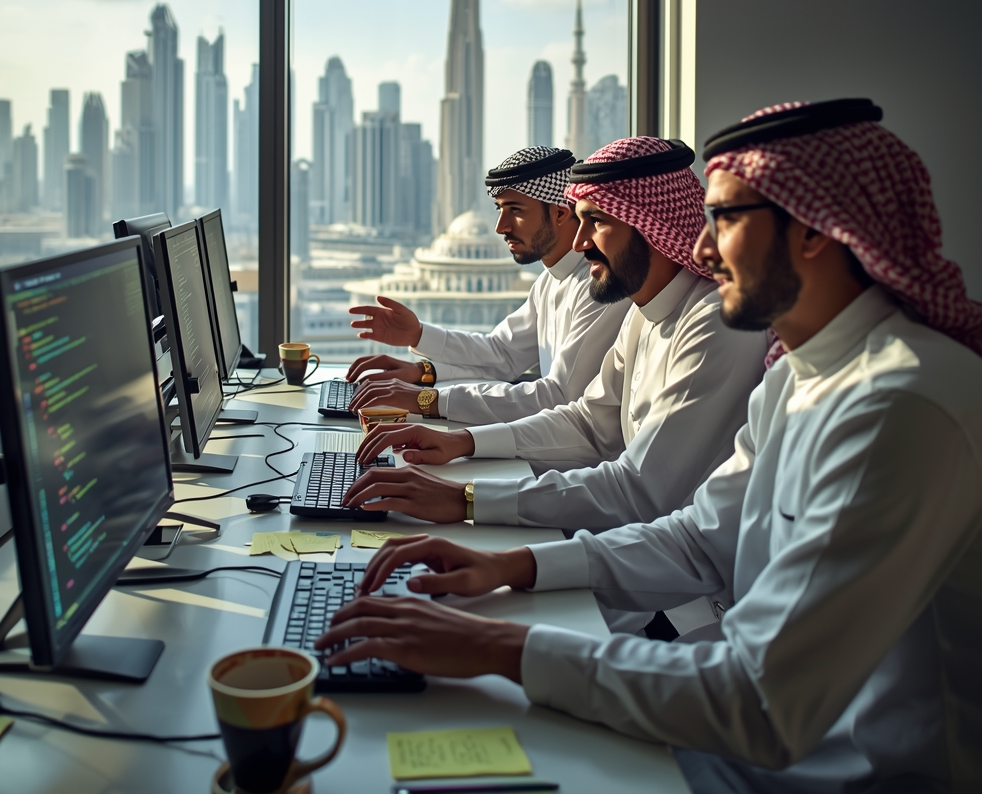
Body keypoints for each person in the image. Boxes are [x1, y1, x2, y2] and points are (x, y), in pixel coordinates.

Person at [318, 99, 982, 793]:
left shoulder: (900, 404)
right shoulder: (801, 374)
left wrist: (496, 643)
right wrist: (507, 563)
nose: (699, 248)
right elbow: (698, 538)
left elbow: (760, 704)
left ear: (814, 231)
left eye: (723, 220)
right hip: (743, 728)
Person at [347, 136, 768, 511]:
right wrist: (462, 440)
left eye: (597, 222)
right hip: (617, 530)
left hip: (674, 581)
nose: (582, 243)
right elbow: (586, 421)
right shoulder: (642, 310)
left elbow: (638, 488)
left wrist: (466, 495)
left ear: (651, 227)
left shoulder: (711, 323)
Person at [346, 146, 630, 424]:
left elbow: (557, 397)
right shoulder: (549, 281)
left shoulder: (599, 287)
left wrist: (428, 399)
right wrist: (419, 342)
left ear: (559, 213)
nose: (500, 226)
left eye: (514, 210)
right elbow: (502, 353)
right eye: (499, 209)